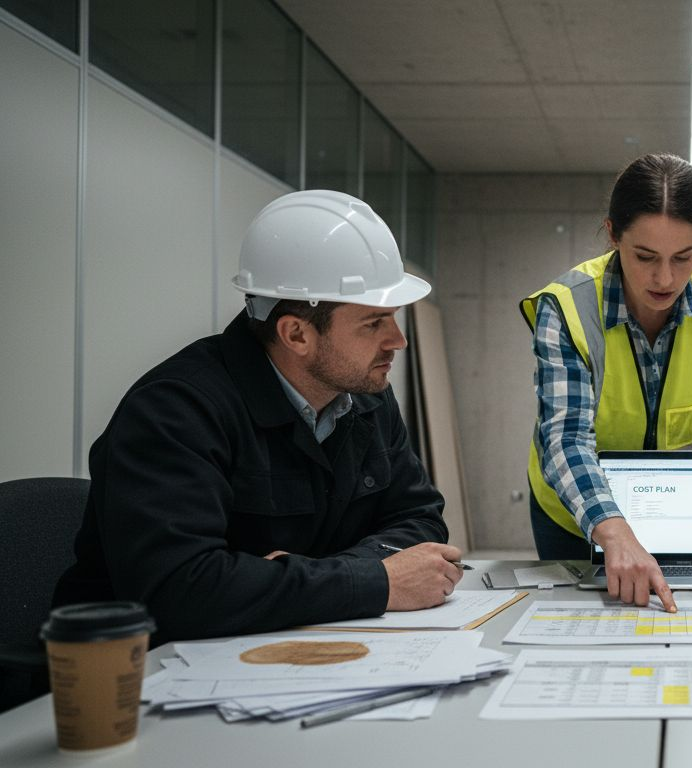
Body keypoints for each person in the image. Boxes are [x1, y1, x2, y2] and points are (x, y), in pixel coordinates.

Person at [54, 190, 464, 642]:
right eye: (374, 323)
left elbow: (420, 517)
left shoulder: (366, 399)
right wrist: (374, 581)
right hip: (150, 667)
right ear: (296, 334)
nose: (398, 341)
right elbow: (181, 591)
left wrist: (329, 576)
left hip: (297, 641)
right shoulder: (175, 411)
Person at [521, 153, 692, 611]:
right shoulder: (567, 306)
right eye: (645, 256)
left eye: (684, 257)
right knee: (587, 624)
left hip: (670, 512)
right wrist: (614, 532)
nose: (665, 278)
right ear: (613, 235)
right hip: (577, 513)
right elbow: (566, 438)